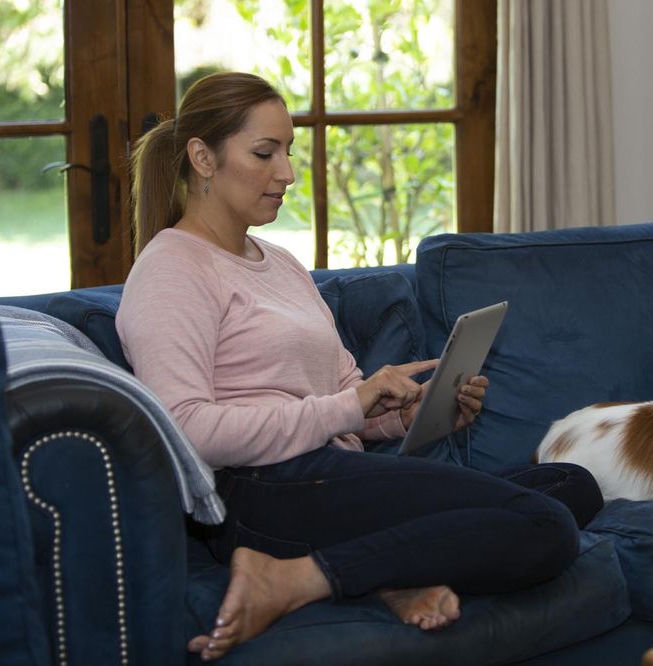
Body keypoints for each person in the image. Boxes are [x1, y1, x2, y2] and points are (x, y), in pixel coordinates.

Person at [116, 71, 603, 662]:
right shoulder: (172, 269)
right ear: (203, 158)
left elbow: (343, 389)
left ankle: (388, 569)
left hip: (330, 474)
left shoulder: (280, 263)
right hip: (260, 490)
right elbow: (186, 432)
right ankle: (296, 578)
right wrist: (351, 405)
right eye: (264, 153)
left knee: (571, 485)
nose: (287, 173)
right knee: (544, 526)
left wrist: (408, 414)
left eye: (289, 151)